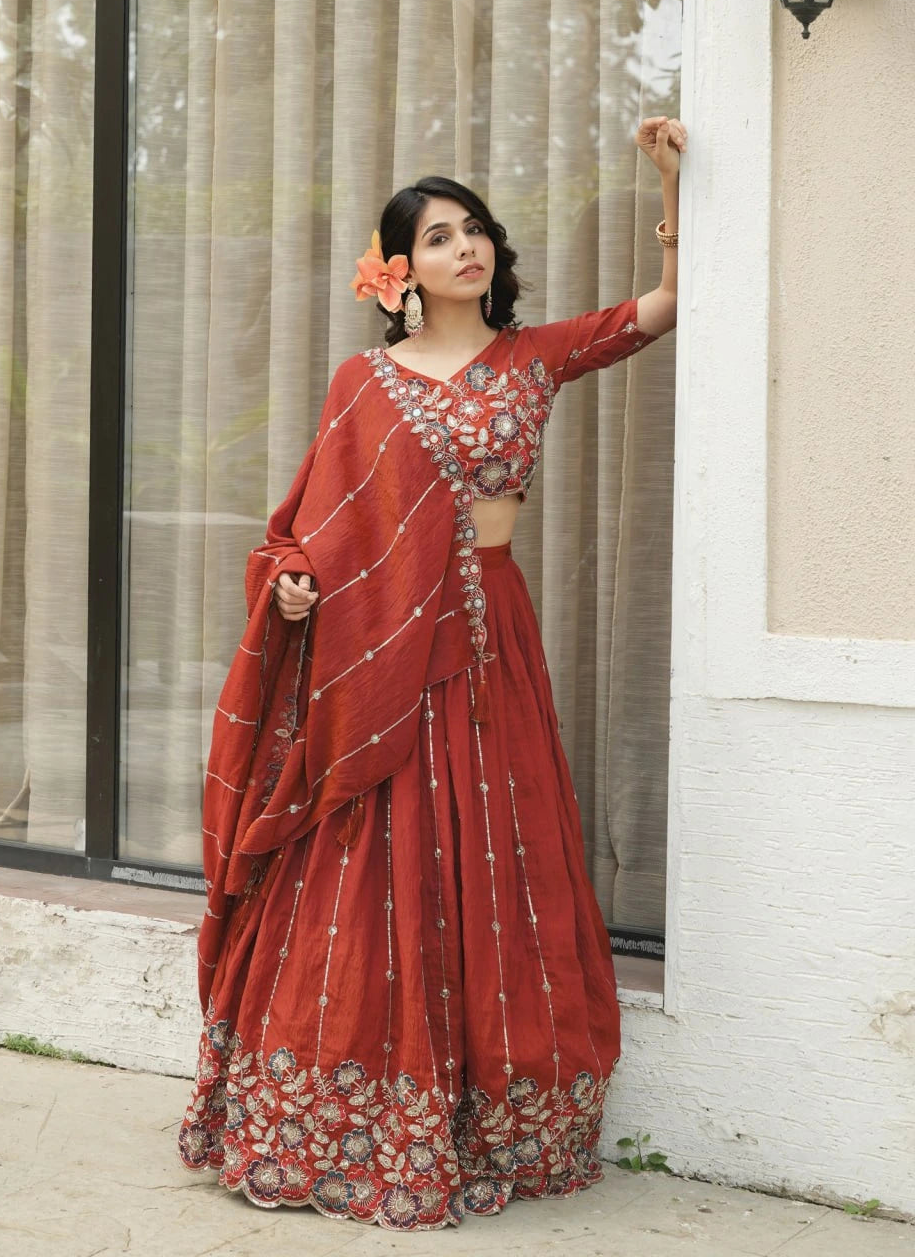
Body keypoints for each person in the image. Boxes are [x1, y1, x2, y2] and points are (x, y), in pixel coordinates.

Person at [177, 115, 686, 1231]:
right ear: (401, 268)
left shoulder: (535, 356)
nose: (469, 247)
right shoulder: (365, 381)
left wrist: (672, 189)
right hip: (381, 651)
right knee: (376, 855)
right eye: (442, 234)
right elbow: (313, 524)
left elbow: (663, 310)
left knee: (490, 852)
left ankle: (478, 1119)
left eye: (478, 230)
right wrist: (296, 582)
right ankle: (324, 1114)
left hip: (490, 640)